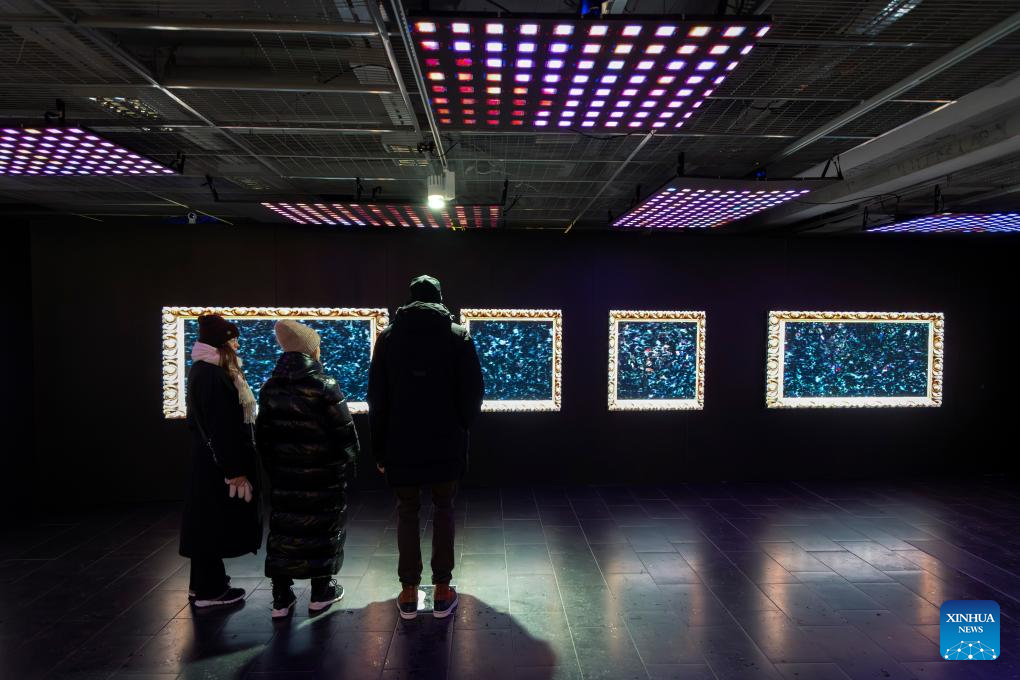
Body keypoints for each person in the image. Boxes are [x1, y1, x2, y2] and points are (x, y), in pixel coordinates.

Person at [368, 275, 484, 620]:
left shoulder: (388, 338)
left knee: (407, 511)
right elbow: (473, 391)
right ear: (440, 299)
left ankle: (408, 591)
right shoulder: (458, 336)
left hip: (400, 443)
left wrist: (379, 449)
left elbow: (377, 398)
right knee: (444, 508)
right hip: (446, 442)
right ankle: (442, 589)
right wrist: (461, 425)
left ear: (409, 299)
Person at [257, 320, 360, 619]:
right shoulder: (324, 385)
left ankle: (281, 597)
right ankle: (320, 592)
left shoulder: (270, 387)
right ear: (309, 349)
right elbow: (344, 432)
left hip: (284, 476)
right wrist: (349, 460)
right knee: (321, 529)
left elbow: (263, 437)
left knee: (284, 531)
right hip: (323, 476)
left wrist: (275, 468)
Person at [179, 313, 262, 608]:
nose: (237, 345)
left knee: (205, 522)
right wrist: (234, 470)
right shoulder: (213, 375)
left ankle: (203, 584)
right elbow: (221, 427)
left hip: (210, 461)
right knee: (210, 524)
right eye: (233, 340)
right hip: (217, 464)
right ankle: (209, 591)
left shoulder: (205, 370)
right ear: (222, 343)